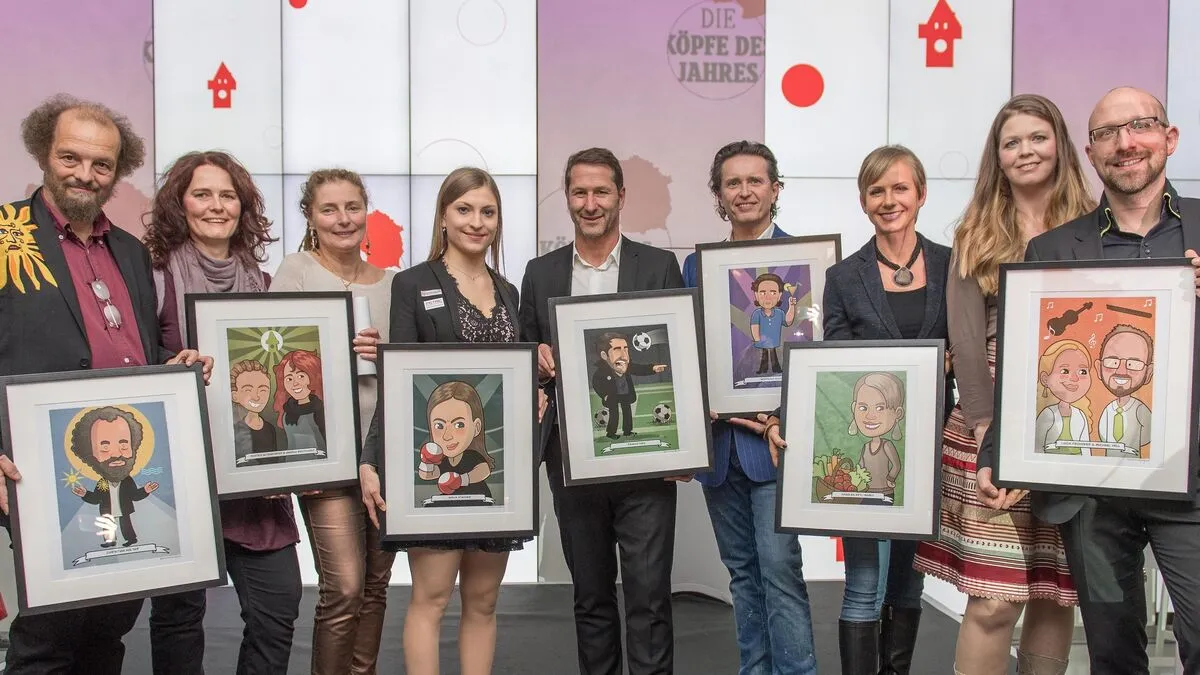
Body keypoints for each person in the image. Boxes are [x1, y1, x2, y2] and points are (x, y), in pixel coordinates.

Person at [978, 85, 1200, 674]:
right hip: (1091, 489)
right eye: (1107, 134)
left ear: (1170, 138)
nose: (1126, 143)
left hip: (1193, 481)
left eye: (1141, 126)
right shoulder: (1051, 249)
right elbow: (1026, 367)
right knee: (1112, 652)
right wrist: (996, 453)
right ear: (1091, 151)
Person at [0, 94, 211, 674]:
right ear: (43, 154)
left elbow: (133, 347)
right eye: (70, 158)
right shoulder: (5, 236)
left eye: (102, 165)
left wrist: (174, 367)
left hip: (123, 465)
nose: (85, 174)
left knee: (108, 632)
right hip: (39, 472)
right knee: (47, 640)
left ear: (118, 172)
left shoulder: (130, 251)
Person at [911, 93, 1094, 675]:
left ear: (1060, 144)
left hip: (1075, 418)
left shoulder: (1098, 223)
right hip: (989, 420)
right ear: (998, 156)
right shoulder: (976, 232)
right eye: (1011, 142)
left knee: (1055, 592)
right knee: (994, 600)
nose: (1025, 151)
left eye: (1037, 137)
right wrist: (997, 444)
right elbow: (966, 346)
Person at [360, 166, 543, 675]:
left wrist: (534, 395)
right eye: (464, 209)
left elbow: (516, 380)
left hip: (495, 472)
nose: (476, 222)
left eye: (488, 212)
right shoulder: (412, 284)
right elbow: (396, 384)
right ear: (443, 215)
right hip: (431, 474)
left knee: (483, 602)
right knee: (432, 597)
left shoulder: (509, 291)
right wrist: (371, 459)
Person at [519, 147, 687, 675]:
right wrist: (535, 358)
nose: (590, 203)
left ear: (621, 196)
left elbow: (680, 358)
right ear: (567, 198)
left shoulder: (659, 266)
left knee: (650, 597)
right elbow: (524, 354)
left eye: (601, 192)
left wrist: (684, 447)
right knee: (590, 596)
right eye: (579, 192)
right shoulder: (540, 273)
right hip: (571, 460)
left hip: (645, 461)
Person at [143, 149, 301, 675]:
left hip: (253, 476)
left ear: (243, 206)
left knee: (278, 608)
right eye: (202, 194)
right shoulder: (154, 277)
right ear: (179, 203)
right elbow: (133, 362)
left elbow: (277, 382)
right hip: (183, 473)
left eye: (228, 195)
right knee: (179, 617)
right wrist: (171, 367)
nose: (216, 205)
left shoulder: (263, 282)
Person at [681, 140, 818, 674]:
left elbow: (815, 355)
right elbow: (689, 352)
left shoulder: (805, 262)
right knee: (741, 574)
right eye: (732, 182)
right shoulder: (696, 266)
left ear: (775, 189)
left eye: (754, 180)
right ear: (719, 194)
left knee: (780, 571)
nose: (744, 191)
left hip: (777, 446)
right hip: (719, 450)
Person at [269, 167, 397, 675]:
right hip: (323, 450)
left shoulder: (392, 283)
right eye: (329, 209)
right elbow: (275, 358)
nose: (343, 219)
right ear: (310, 216)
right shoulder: (296, 271)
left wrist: (387, 355)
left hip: (381, 450)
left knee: (375, 585)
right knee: (343, 586)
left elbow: (408, 371)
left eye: (352, 207)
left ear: (366, 211)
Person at [69, 406, 159, 546]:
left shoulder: (127, 480)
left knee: (126, 523)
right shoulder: (102, 482)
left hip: (123, 507)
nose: (116, 454)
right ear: (90, 455)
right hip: (107, 510)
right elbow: (96, 498)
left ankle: (131, 539)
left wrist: (145, 491)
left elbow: (134, 495)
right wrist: (85, 494)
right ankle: (110, 541)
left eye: (124, 445)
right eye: (105, 447)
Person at [590, 331, 668, 439]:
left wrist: (653, 368)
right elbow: (596, 382)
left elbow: (638, 369)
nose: (624, 355)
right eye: (617, 349)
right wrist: (604, 395)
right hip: (612, 395)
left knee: (627, 412)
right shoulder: (602, 371)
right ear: (604, 355)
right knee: (614, 413)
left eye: (625, 349)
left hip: (625, 392)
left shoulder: (627, 366)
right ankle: (611, 433)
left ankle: (627, 431)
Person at [1092, 324, 1153, 457]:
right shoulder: (1108, 409)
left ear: (1148, 373)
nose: (1121, 371)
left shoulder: (1140, 410)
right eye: (1112, 362)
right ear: (1098, 368)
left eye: (1133, 364)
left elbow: (1148, 435)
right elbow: (1103, 434)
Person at [1033, 339, 1094, 454]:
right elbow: (1037, 447)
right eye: (1065, 371)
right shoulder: (1047, 414)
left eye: (1082, 372)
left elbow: (1086, 449)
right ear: (1045, 379)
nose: (1074, 378)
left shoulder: (1081, 415)